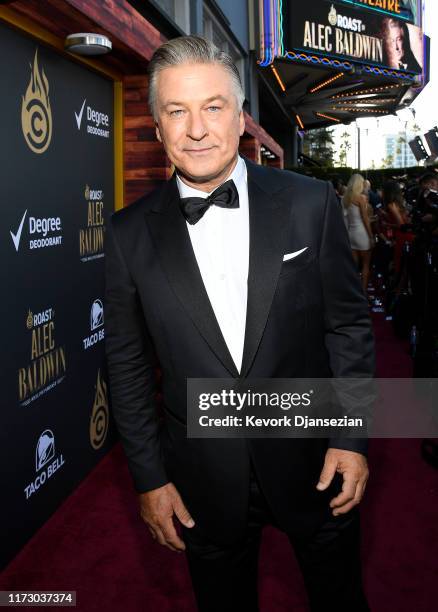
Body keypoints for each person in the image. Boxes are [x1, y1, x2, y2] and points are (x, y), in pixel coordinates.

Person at [104, 35, 375, 612]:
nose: (196, 129)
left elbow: (348, 328)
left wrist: (351, 439)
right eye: (177, 111)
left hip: (314, 458)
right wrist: (149, 479)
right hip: (201, 476)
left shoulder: (310, 203)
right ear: (157, 127)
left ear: (242, 117)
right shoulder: (128, 235)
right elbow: (126, 367)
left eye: (213, 106)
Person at [343, 174, 374, 296]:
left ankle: (353, 291)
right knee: (366, 265)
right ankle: (363, 292)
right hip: (362, 234)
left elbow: (344, 219)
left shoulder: (344, 198)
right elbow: (365, 219)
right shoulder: (361, 198)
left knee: (353, 266)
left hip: (351, 234)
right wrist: (371, 236)